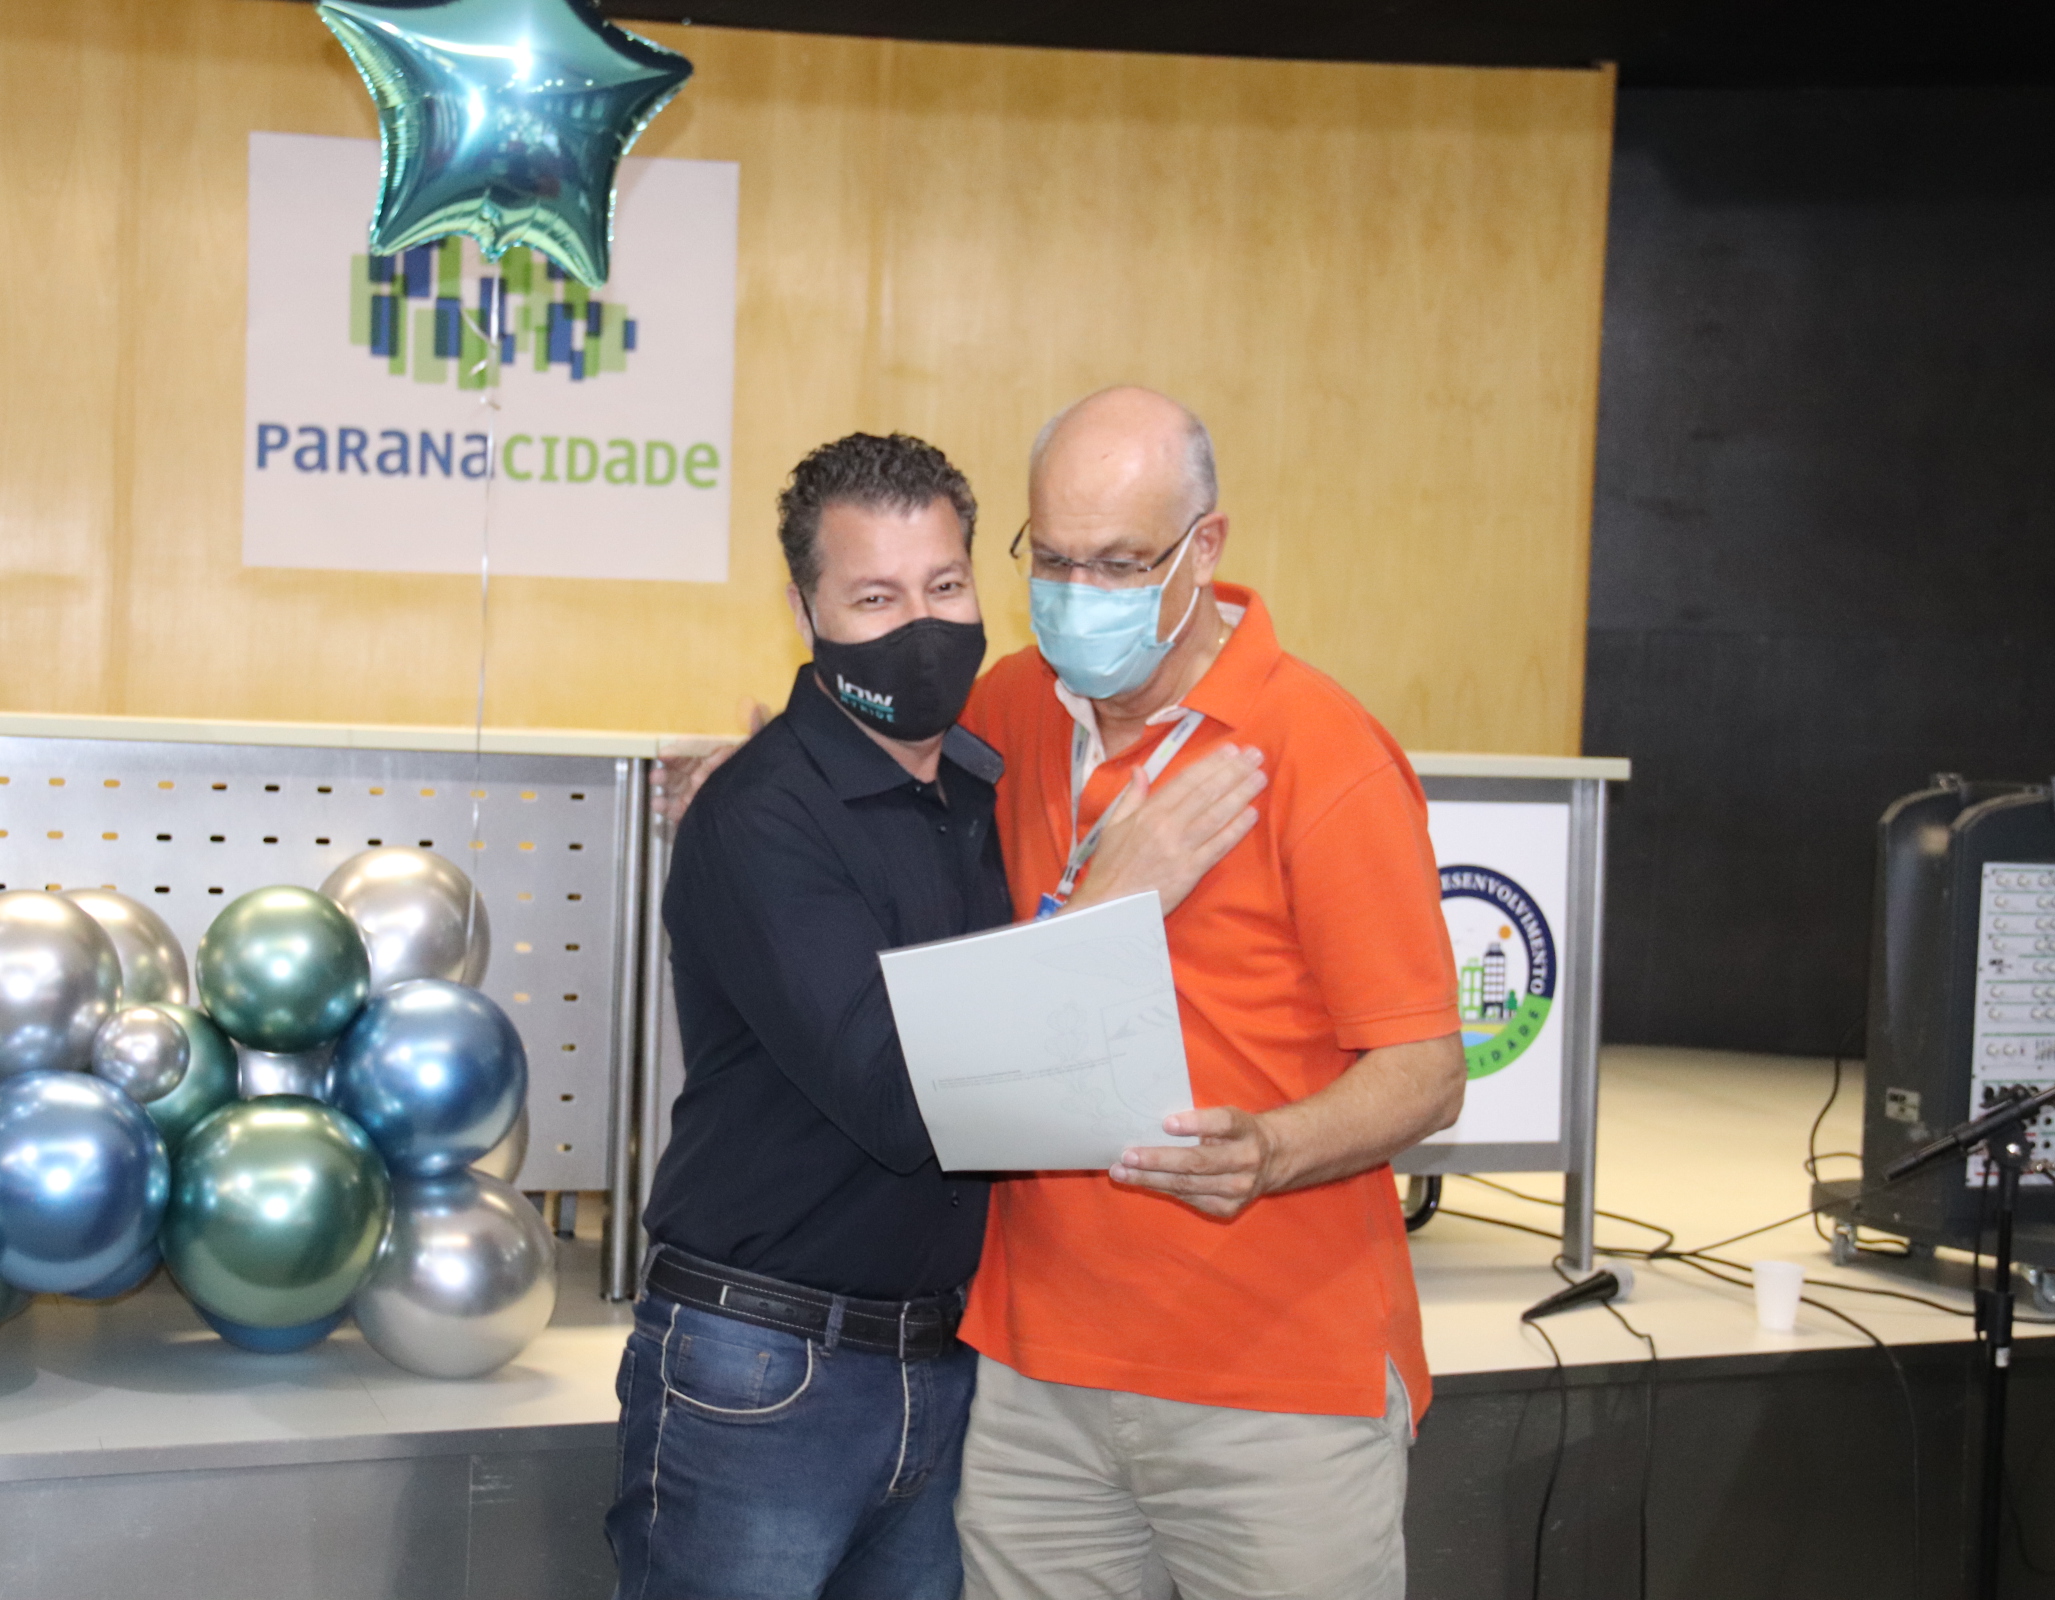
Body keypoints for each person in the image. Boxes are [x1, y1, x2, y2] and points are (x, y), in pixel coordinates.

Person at [608, 431, 1266, 1600]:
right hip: (763, 1370)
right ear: (804, 610)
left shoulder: (975, 786)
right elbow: (900, 1102)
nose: (919, 624)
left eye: (945, 585)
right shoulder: (759, 818)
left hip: (945, 1368)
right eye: (874, 596)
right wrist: (1106, 905)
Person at [952, 387, 1467, 1600]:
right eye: (1052, 557)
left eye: (1119, 562)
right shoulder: (1006, 707)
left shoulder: (1322, 751)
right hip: (1037, 1382)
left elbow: (1427, 1070)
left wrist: (1275, 1149)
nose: (1078, 591)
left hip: (1276, 1391)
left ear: (1206, 547)